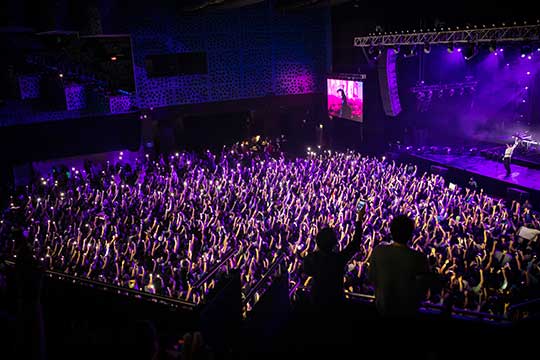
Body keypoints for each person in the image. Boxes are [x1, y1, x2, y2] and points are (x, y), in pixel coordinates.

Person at [302, 205, 365, 307]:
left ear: (317, 242)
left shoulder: (311, 258)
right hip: (335, 299)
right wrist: (359, 219)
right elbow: (355, 243)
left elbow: (306, 271)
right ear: (335, 243)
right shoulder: (338, 259)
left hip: (316, 299)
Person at [368, 215, 429, 318]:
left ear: (391, 231)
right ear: (410, 234)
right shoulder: (419, 258)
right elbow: (423, 291)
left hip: (381, 311)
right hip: (407, 313)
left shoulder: (379, 251)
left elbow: (371, 278)